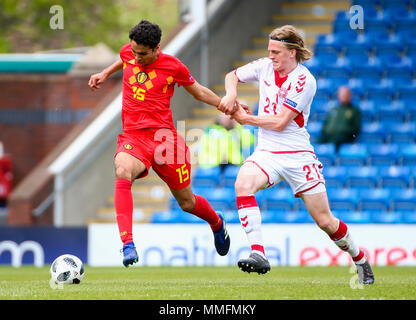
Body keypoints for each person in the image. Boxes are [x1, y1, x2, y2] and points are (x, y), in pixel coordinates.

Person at [217, 25, 374, 284]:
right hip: (267, 151)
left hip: (298, 155)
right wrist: (231, 94)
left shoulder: (305, 80)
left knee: (325, 221)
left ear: (292, 52)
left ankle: (359, 258)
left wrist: (246, 118)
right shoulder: (265, 66)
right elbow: (231, 75)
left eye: (276, 52)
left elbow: (280, 122)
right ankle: (258, 253)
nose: (270, 57)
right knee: (242, 184)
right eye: (269, 51)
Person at [88, 20, 230, 267]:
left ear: (156, 49)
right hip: (133, 137)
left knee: (187, 203)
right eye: (134, 52)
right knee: (122, 170)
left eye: (142, 54)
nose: (136, 57)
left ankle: (217, 223)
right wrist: (104, 73)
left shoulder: (173, 67)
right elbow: (123, 58)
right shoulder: (129, 52)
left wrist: (228, 106)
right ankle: (128, 244)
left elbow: (199, 92)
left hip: (165, 141)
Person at [318, 85, 362, 151]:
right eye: (341, 94)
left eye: (345, 94)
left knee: (336, 140)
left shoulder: (354, 110)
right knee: (315, 143)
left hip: (344, 137)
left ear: (349, 95)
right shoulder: (333, 109)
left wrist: (343, 131)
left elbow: (356, 128)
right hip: (328, 136)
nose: (343, 96)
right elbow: (325, 125)